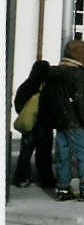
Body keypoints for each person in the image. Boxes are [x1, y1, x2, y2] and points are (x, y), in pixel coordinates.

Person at [38, 39, 84, 201]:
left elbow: (46, 99)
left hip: (60, 122)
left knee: (63, 155)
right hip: (75, 122)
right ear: (80, 55)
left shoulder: (53, 73)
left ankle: (63, 189)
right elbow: (82, 102)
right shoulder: (78, 74)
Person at [13, 60, 54, 188]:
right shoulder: (49, 87)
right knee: (44, 155)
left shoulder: (26, 85)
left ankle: (22, 178)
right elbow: (53, 107)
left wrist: (26, 114)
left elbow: (18, 104)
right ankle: (46, 179)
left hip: (29, 125)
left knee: (25, 153)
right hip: (44, 126)